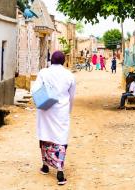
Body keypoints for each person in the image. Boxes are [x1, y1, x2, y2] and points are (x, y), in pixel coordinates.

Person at [32, 51, 76, 185]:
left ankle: (45, 166)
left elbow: (35, 89)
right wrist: (68, 110)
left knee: (45, 136)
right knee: (60, 139)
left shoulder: (43, 73)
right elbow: (71, 96)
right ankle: (60, 172)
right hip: (61, 111)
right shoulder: (69, 75)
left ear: (51, 60)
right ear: (64, 61)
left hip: (45, 109)